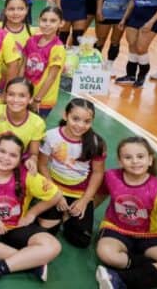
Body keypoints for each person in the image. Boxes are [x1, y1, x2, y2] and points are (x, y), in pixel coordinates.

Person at [0, 134, 62, 286]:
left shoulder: (27, 176)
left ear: (20, 159)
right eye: (2, 151)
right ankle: (31, 262)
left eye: (13, 155)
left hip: (18, 226)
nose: (5, 158)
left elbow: (56, 195)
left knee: (53, 246)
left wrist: (32, 214)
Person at [95, 137, 157, 289]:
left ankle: (117, 279)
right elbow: (99, 197)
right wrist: (81, 214)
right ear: (120, 161)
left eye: (140, 156)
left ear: (150, 160)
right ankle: (154, 269)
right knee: (106, 253)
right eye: (128, 157)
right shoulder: (111, 177)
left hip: (149, 235)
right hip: (115, 229)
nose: (135, 161)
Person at [37, 98, 106, 249]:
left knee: (81, 241)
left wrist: (84, 200)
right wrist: (56, 194)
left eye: (87, 121)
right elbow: (41, 165)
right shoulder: (50, 136)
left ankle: (66, 216)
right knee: (45, 233)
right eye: (75, 119)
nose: (80, 125)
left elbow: (98, 173)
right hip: (54, 186)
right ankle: (58, 215)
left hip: (79, 192)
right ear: (65, 115)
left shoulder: (96, 143)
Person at [0, 77, 46, 198]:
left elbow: (34, 153)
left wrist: (33, 160)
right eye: (11, 94)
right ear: (5, 96)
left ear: (31, 99)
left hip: (18, 169)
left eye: (22, 96)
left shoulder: (37, 123)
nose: (16, 100)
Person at [21, 7, 66, 118]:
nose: (47, 24)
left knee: (35, 126)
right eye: (44, 20)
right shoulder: (31, 40)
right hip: (25, 93)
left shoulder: (58, 48)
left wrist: (37, 99)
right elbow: (23, 65)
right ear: (39, 20)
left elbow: (51, 77)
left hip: (43, 99)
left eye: (53, 21)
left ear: (61, 23)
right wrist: (20, 86)